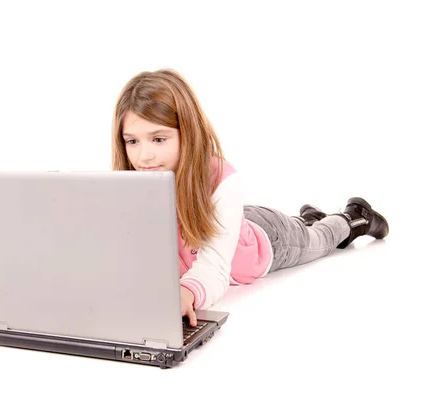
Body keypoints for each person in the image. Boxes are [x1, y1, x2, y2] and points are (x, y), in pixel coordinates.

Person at [111, 69, 389, 326]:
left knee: (321, 240)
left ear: (188, 133)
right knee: (289, 227)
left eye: (158, 139)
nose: (143, 156)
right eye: (132, 141)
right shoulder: (134, 185)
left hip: (269, 241)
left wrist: (186, 294)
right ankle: (307, 219)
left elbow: (215, 268)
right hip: (236, 222)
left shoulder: (221, 179)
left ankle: (353, 217)